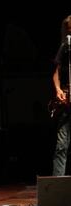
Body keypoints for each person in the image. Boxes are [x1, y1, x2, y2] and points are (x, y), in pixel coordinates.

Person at [52, 15, 71, 176]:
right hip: (67, 103)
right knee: (61, 145)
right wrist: (58, 89)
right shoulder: (64, 47)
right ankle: (59, 186)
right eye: (67, 31)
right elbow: (56, 72)